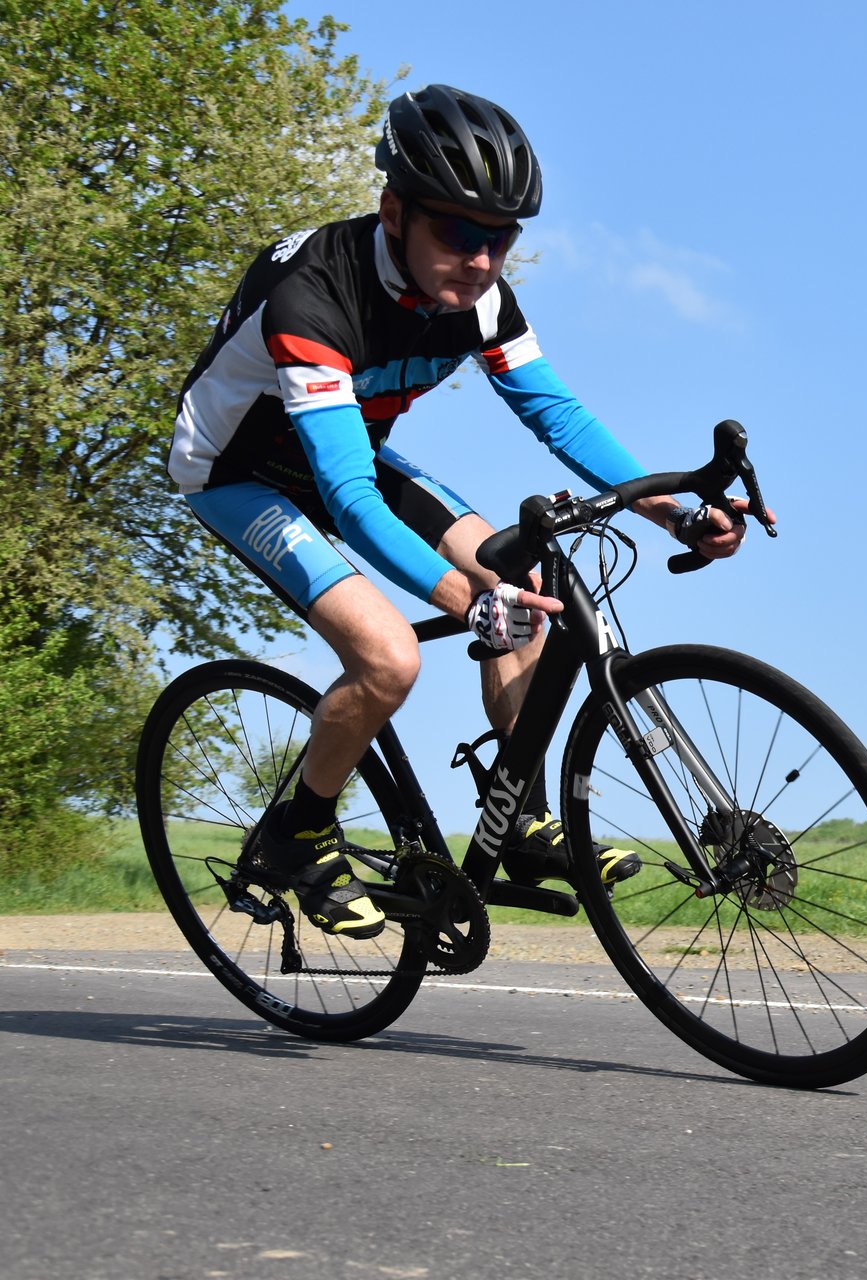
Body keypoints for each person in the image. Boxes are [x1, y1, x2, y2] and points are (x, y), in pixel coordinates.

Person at [169, 84, 756, 940]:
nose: (480, 261)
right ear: (393, 210)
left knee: (527, 579)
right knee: (389, 657)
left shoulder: (481, 298)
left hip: (346, 451)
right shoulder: (315, 300)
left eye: (501, 240)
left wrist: (670, 511)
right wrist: (466, 599)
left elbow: (555, 413)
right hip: (240, 474)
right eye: (457, 233)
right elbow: (348, 499)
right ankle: (298, 834)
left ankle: (512, 817)